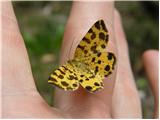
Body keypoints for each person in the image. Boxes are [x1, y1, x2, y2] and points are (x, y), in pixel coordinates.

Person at [2, 1, 158, 118]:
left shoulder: (67, 69)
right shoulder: (78, 55)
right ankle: (95, 78)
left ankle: (93, 80)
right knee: (98, 67)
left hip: (86, 73)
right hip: (95, 64)